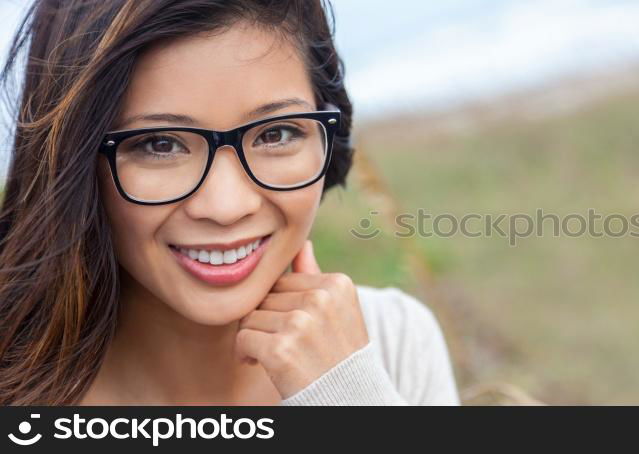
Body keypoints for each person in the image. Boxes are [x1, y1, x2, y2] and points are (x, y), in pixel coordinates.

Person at [0, 0, 459, 406]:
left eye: (276, 133)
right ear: (75, 164)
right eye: (160, 144)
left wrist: (349, 397)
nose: (225, 206)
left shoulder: (391, 342)